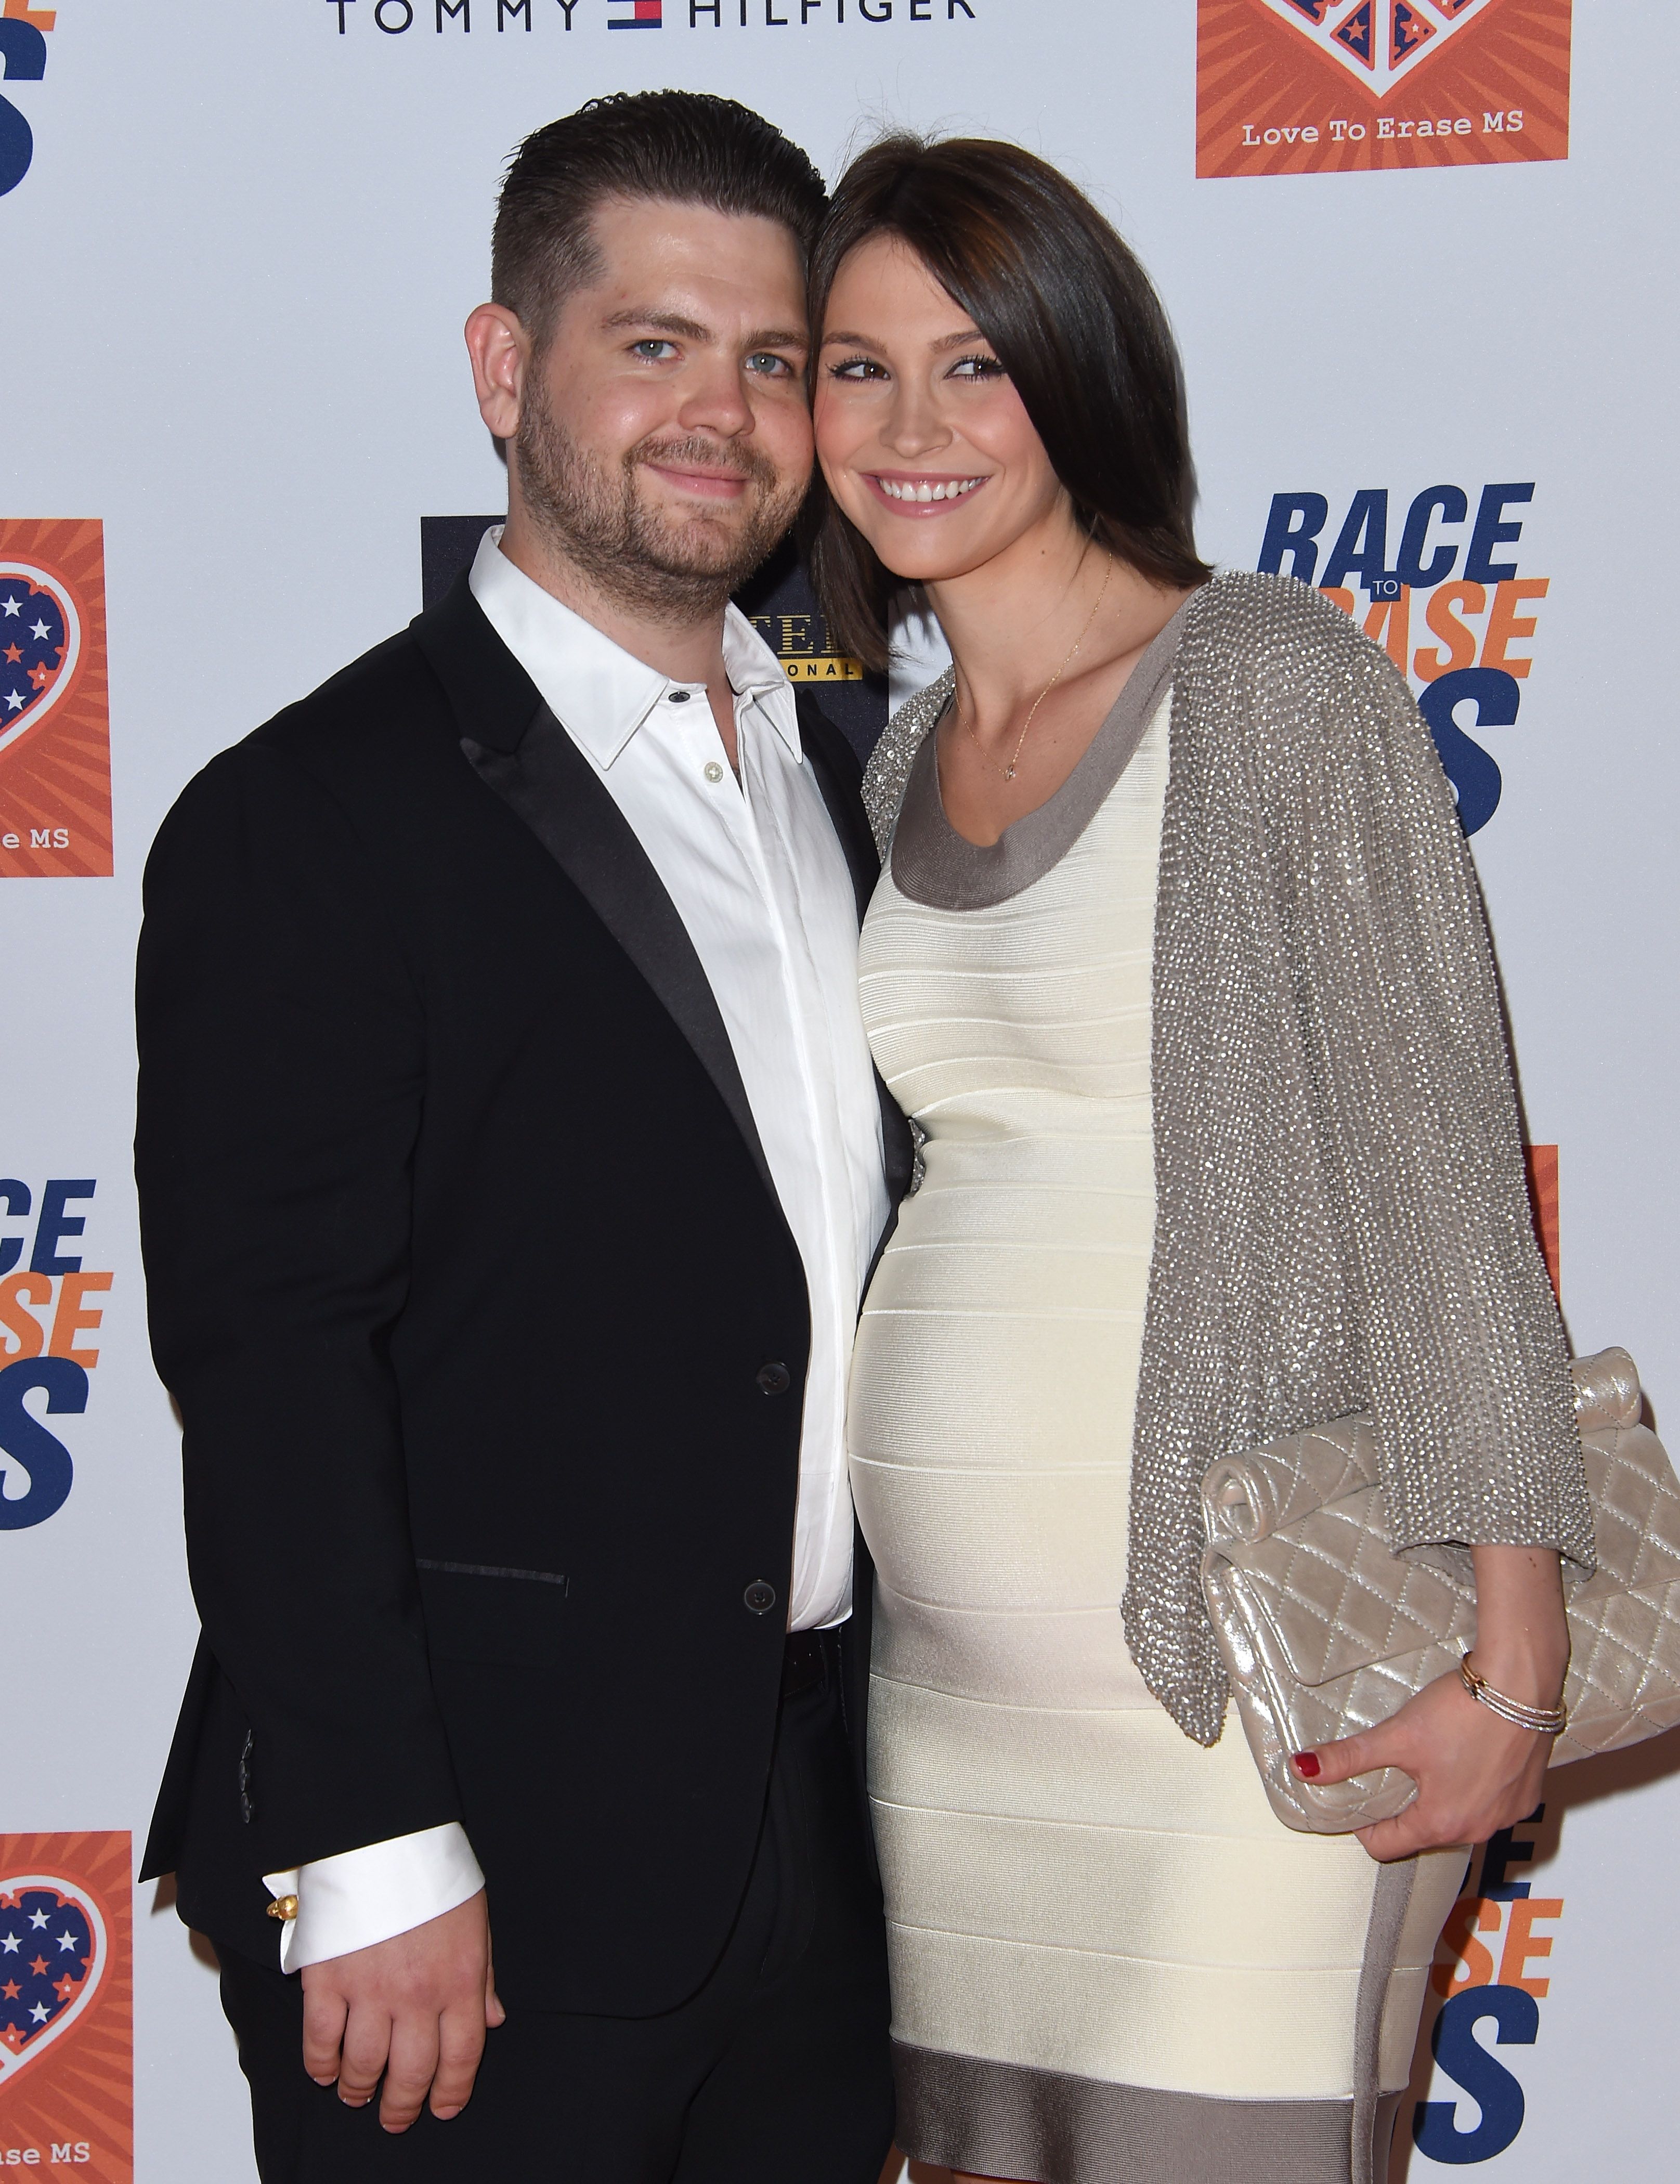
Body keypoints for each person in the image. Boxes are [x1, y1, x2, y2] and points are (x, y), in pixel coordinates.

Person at [135, 91, 911, 2184]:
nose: (720, 413)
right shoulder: (309, 816)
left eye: (769, 359)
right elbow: (270, 1359)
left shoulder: (848, 783)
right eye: (650, 343)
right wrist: (373, 1842)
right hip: (465, 1872)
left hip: (822, 1854)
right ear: (506, 369)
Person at [808, 135, 1591, 2184]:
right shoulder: (894, 760)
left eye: (971, 365)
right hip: (949, 1724)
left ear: (1079, 378)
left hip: (1248, 1693)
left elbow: (1443, 1198)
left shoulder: (1269, 690)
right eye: (853, 368)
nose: (909, 428)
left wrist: (1512, 1672)